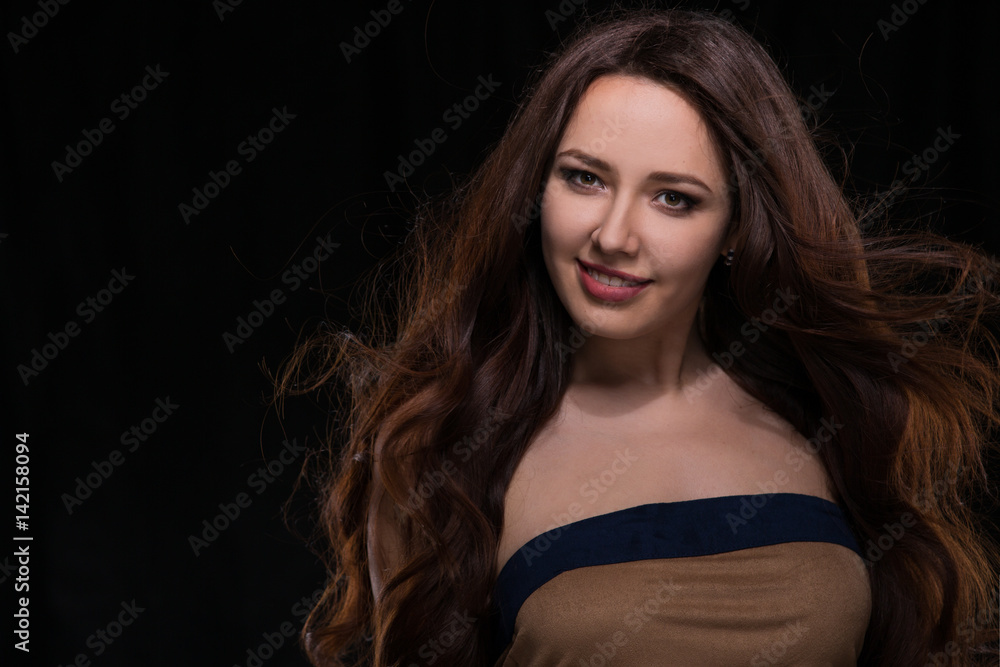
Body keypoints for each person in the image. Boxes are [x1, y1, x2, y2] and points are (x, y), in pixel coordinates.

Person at [274, 8, 1000, 666]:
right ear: (536, 190)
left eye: (673, 197)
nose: (614, 235)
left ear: (735, 229)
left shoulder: (835, 418)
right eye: (585, 179)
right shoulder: (445, 446)